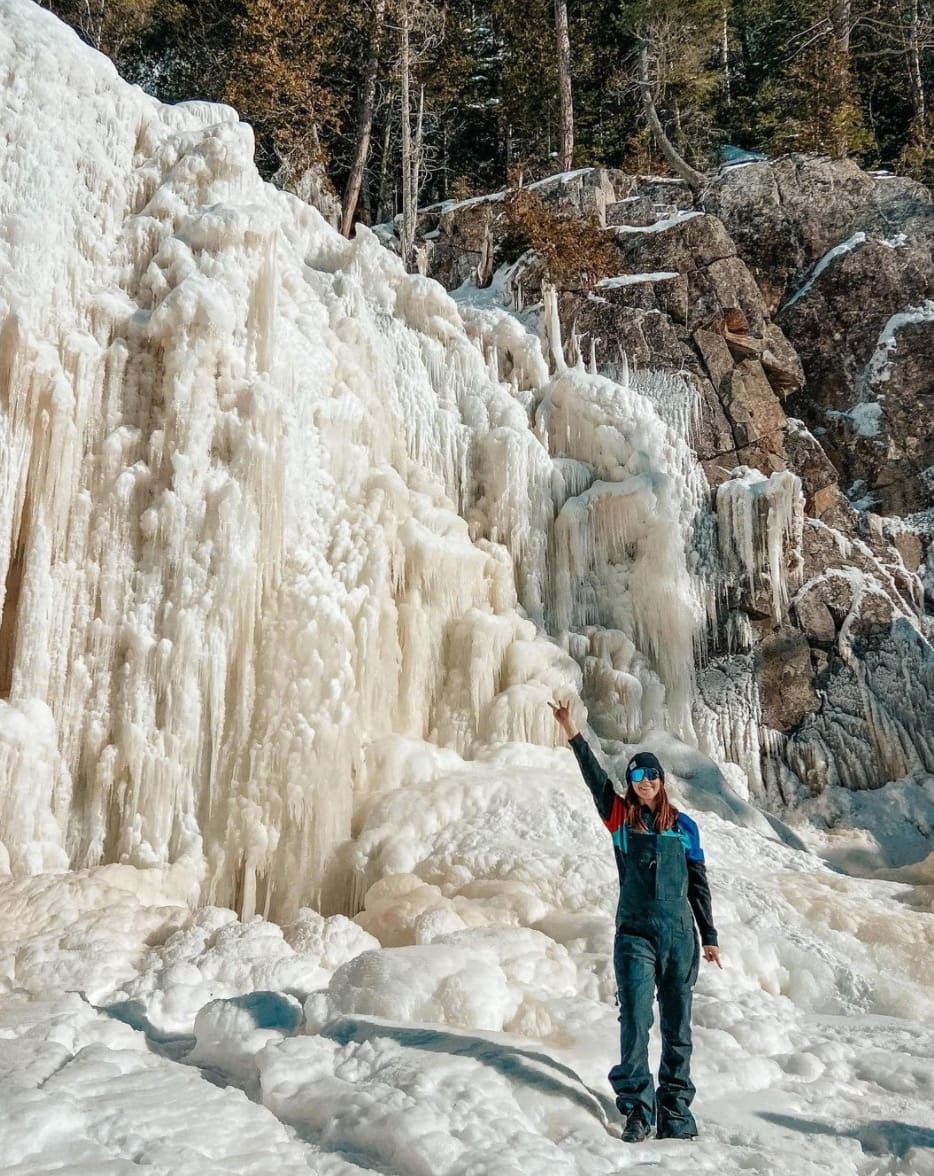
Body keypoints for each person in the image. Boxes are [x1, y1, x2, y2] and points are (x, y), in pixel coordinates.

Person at [549, 700, 721, 1144]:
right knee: (635, 1021)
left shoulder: (685, 828)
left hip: (680, 937)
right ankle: (638, 1110)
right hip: (636, 936)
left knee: (678, 1028)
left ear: (661, 781)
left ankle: (676, 1110)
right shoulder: (621, 819)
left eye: (650, 776)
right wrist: (572, 730)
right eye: (636, 777)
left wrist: (710, 937)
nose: (642, 783)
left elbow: (698, 886)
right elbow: (594, 779)